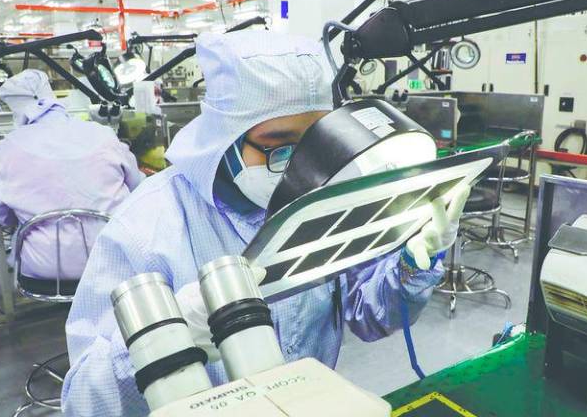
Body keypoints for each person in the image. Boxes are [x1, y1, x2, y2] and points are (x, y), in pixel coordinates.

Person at [62, 30, 469, 416]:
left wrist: (416, 261)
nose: (302, 167)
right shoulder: (145, 228)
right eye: (279, 148)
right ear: (227, 137)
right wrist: (162, 338)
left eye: (316, 144)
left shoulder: (320, 200)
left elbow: (369, 315)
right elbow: (83, 402)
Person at [0, 69, 145, 286]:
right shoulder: (102, 134)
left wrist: (18, 218)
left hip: (46, 274)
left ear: (15, 108)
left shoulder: (7, 148)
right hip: (114, 261)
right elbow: (138, 187)